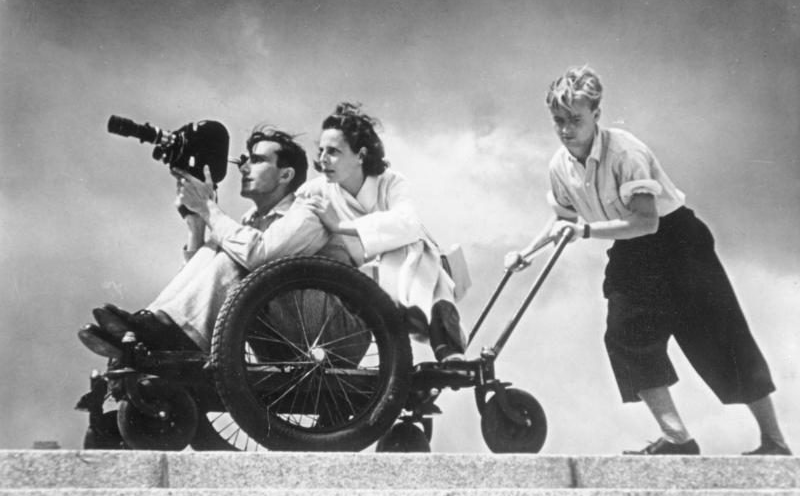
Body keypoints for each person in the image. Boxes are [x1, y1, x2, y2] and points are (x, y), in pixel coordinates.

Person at [505, 66, 791, 456]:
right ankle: (679, 440)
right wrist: (527, 252)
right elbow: (564, 220)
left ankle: (774, 442)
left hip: (679, 243)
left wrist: (586, 233)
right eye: (559, 121)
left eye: (576, 119)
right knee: (625, 336)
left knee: (721, 338)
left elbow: (647, 220)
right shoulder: (559, 166)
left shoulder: (625, 152)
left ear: (596, 115)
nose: (567, 129)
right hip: (631, 251)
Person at [79, 125, 344, 356]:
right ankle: (144, 328)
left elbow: (259, 255)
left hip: (325, 335)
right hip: (282, 331)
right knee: (223, 246)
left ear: (285, 175)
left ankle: (164, 330)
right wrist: (196, 225)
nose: (244, 167)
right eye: (244, 160)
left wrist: (208, 208)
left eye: (257, 160)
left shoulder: (308, 211)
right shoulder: (252, 221)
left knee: (236, 253)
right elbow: (207, 286)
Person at [298, 102, 466, 362]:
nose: (322, 159)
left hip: (419, 267)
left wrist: (339, 225)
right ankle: (429, 328)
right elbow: (291, 218)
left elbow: (407, 222)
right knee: (403, 254)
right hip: (355, 278)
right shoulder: (316, 190)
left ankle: (438, 335)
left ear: (361, 155)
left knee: (410, 248)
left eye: (333, 152)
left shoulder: (391, 182)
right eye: (321, 151)